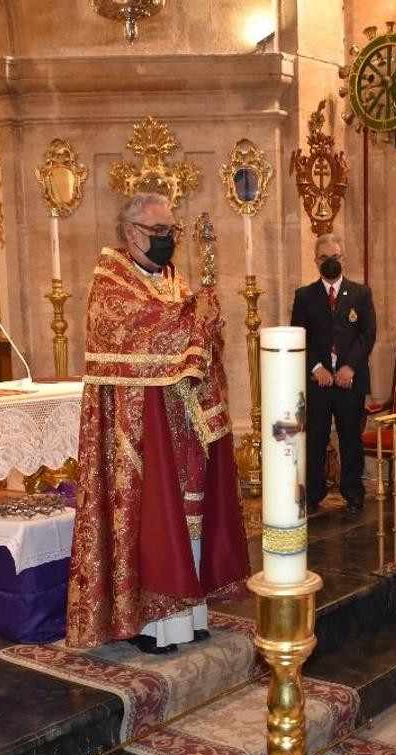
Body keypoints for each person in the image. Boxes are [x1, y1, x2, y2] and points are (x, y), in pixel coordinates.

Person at [66, 192, 250, 653]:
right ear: (132, 232)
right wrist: (194, 319)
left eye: (172, 231)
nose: (169, 240)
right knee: (154, 516)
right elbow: (144, 329)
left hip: (184, 420)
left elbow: (192, 333)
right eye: (161, 232)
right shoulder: (110, 284)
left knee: (191, 514)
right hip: (138, 432)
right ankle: (151, 622)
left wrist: (204, 323)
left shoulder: (172, 280)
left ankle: (191, 612)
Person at [291, 232, 376, 517]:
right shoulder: (304, 296)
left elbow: (367, 335)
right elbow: (298, 336)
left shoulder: (361, 293)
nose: (331, 262)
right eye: (325, 258)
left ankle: (353, 493)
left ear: (344, 258)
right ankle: (314, 494)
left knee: (350, 437)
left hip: (350, 380)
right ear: (316, 261)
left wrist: (349, 367)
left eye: (335, 257)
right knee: (315, 438)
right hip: (318, 382)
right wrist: (317, 369)